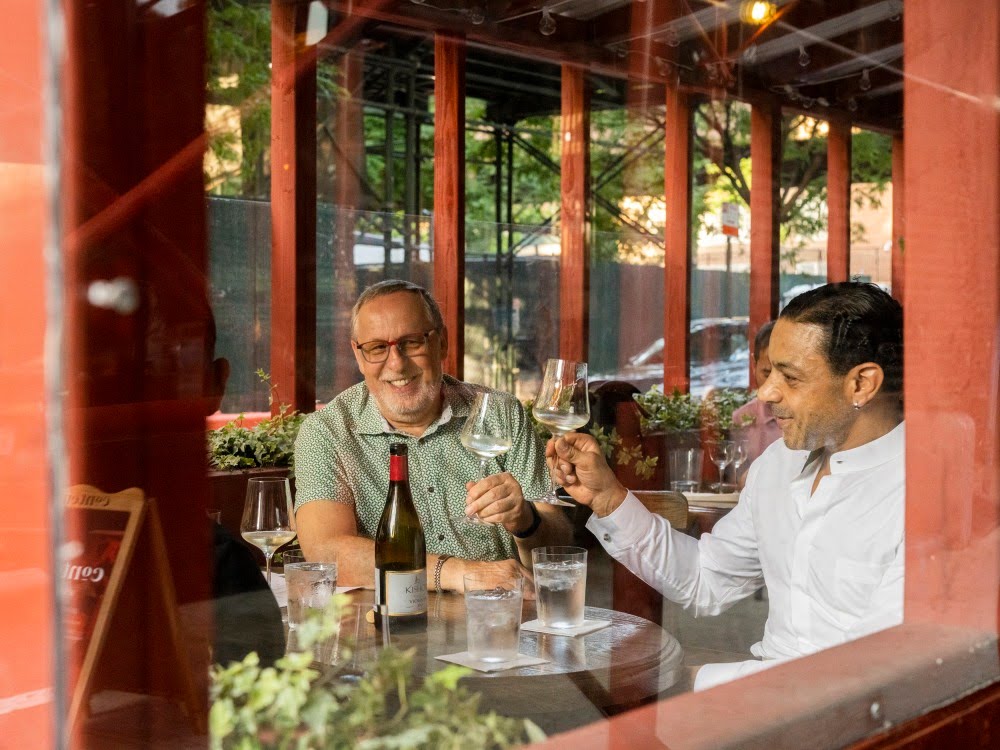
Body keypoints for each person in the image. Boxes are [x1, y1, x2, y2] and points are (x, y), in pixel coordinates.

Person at [548, 282, 904, 690]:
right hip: (762, 702)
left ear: (861, 384)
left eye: (789, 377)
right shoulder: (778, 465)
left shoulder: (924, 494)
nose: (766, 392)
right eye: (769, 371)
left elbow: (876, 674)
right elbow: (706, 579)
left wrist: (700, 682)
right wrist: (609, 500)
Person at [294, 279, 572, 592]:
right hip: (389, 629)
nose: (396, 363)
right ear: (358, 356)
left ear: (442, 343)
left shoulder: (500, 414)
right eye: (376, 348)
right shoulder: (327, 432)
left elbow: (558, 546)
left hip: (499, 620)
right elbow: (327, 552)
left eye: (411, 342)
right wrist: (457, 574)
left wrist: (526, 520)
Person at [731, 320, 782, 485]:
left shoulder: (810, 417)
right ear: (754, 365)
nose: (774, 384)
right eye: (767, 373)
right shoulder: (742, 418)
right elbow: (736, 478)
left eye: (785, 375)